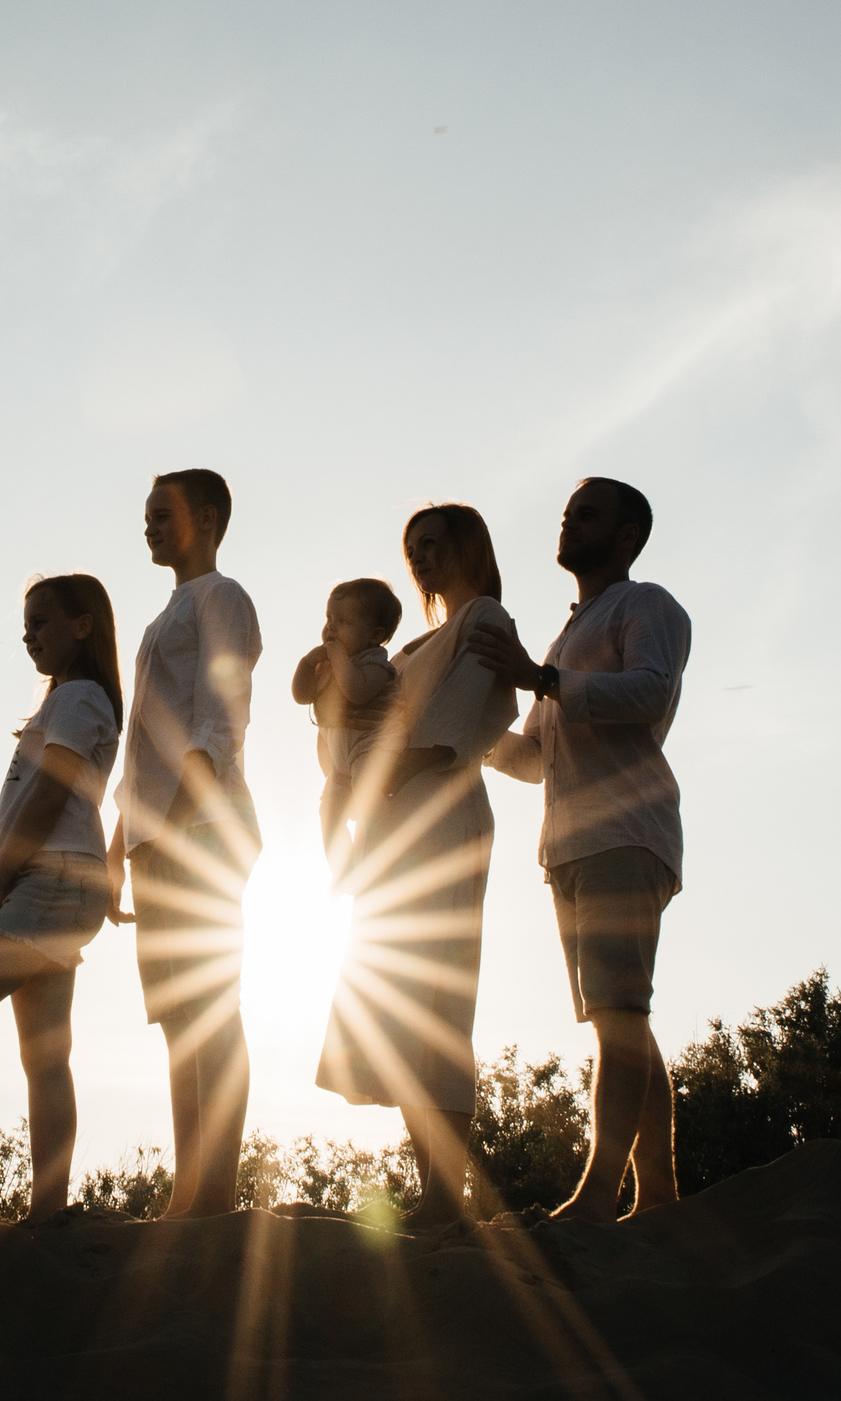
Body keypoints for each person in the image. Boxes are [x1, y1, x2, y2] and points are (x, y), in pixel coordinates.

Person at [472, 477, 691, 1223]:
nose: (568, 523)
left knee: (617, 1011)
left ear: (628, 535)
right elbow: (535, 757)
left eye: (587, 514)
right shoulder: (566, 638)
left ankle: (599, 1193)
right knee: (619, 1014)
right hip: (568, 845)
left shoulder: (647, 605)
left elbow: (650, 693)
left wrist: (541, 677)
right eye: (567, 513)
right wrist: (464, 738)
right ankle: (658, 1193)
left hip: (624, 832)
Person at [316, 504, 522, 1228]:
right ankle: (431, 1182)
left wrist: (369, 772)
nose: (422, 556)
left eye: (434, 543)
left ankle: (448, 1194)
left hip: (441, 820)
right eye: (413, 547)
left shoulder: (484, 620)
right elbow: (347, 723)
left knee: (436, 1005)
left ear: (468, 546)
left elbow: (449, 737)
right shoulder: (409, 649)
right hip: (391, 833)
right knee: (392, 1004)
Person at [0, 573, 124, 1222]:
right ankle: (48, 1210)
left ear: (82, 624)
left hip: (53, 882)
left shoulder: (78, 697)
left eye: (41, 620)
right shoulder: (67, 701)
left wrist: (0, 877)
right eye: (27, 623)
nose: (28, 633)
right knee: (45, 1053)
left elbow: (46, 799)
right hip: (61, 885)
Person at [103, 469, 262, 1220]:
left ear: (205, 516)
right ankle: (187, 1188)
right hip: (153, 835)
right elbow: (143, 747)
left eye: (160, 513)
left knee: (210, 1007)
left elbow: (219, 715)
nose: (149, 526)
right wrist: (119, 849)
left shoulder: (220, 597)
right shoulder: (162, 614)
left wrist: (186, 821)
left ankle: (215, 1191)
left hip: (198, 827)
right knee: (175, 1016)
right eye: (144, 516)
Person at [288, 578, 402, 887]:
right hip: (339, 763)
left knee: (371, 804)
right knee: (329, 812)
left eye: (343, 622)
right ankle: (345, 868)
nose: (331, 629)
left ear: (374, 635)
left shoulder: (377, 663)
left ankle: (380, 857)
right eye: (329, 619)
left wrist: (337, 658)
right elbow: (301, 695)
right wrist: (307, 663)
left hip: (370, 749)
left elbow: (357, 692)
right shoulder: (325, 665)